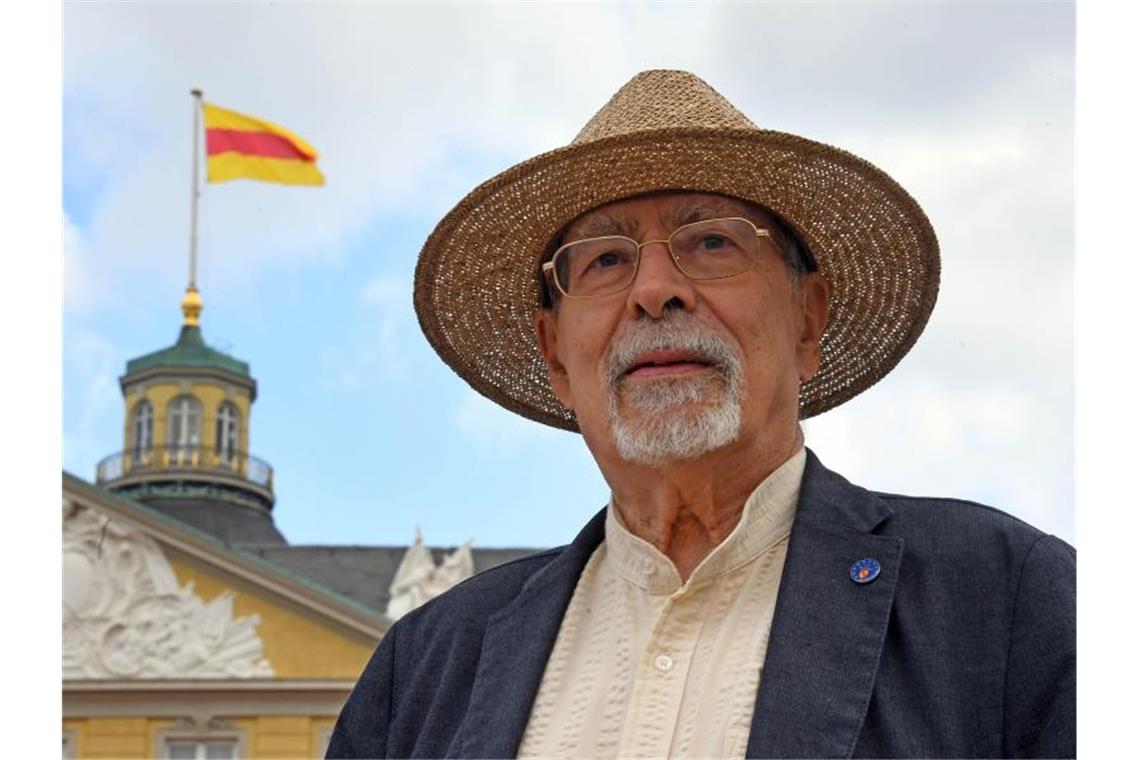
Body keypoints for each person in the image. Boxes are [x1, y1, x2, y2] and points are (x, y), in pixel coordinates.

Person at [328, 70, 1075, 759]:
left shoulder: (1005, 602)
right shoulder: (425, 666)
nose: (655, 290)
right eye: (605, 260)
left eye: (711, 241)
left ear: (808, 320)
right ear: (556, 354)